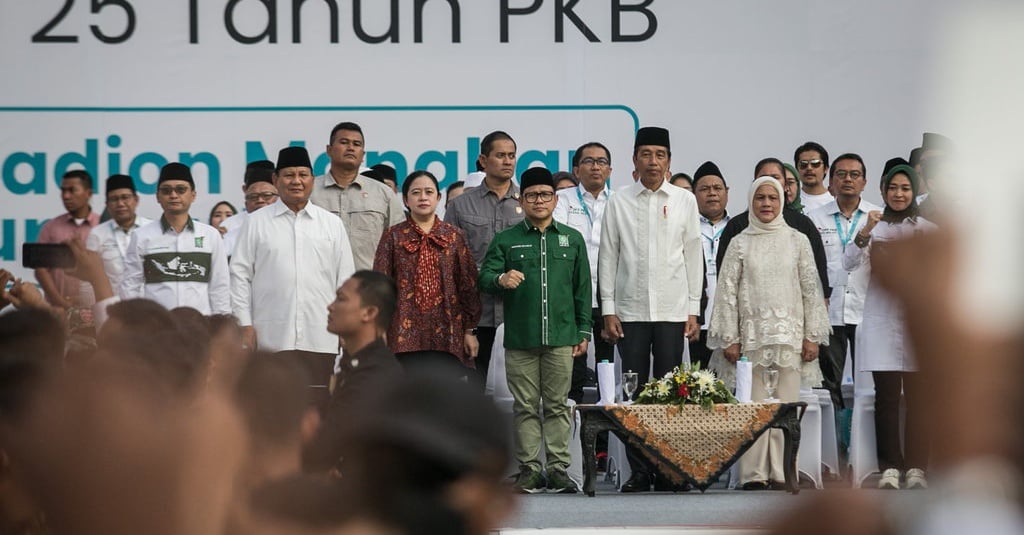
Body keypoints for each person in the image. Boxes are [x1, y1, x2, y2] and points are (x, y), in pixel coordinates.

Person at [708, 176, 830, 490]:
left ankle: (780, 471)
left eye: (772, 198)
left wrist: (811, 336)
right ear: (751, 201)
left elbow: (811, 291)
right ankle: (753, 474)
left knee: (784, 408)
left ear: (782, 202)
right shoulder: (740, 242)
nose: (766, 204)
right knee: (753, 408)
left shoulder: (798, 240)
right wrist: (729, 338)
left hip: (790, 339)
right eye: (760, 198)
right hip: (750, 340)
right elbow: (726, 293)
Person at [598, 126, 702, 492]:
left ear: (669, 160)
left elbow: (693, 256)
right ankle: (640, 471)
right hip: (631, 311)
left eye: (660, 154)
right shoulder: (619, 200)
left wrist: (693, 308)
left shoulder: (684, 200)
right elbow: (608, 256)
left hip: (674, 311)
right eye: (646, 154)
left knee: (673, 391)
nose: (653, 161)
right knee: (636, 392)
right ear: (634, 160)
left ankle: (671, 467)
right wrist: (608, 309)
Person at [479, 167, 591, 494]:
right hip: (521, 338)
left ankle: (558, 469)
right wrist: (501, 279)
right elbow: (484, 278)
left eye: (545, 195)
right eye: (531, 195)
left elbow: (582, 289)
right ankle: (530, 469)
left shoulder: (572, 239)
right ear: (521, 200)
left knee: (557, 405)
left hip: (561, 337)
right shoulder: (507, 240)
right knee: (525, 406)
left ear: (556, 199)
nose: (539, 201)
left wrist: (583, 331)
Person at [230, 147, 355, 408]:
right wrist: (244, 323)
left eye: (302, 174)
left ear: (312, 179)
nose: (296, 181)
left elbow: (346, 281)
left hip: (321, 336)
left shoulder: (330, 224)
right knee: (272, 411)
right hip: (271, 337)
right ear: (276, 180)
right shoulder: (256, 223)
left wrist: (346, 328)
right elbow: (240, 275)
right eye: (288, 175)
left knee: (319, 410)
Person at [844, 158, 936, 490]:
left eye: (905, 188)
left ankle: (917, 468)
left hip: (917, 325)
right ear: (883, 190)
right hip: (881, 322)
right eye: (893, 187)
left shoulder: (927, 231)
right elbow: (848, 262)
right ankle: (890, 467)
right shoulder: (873, 228)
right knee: (886, 399)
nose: (899, 194)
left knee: (918, 400)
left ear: (915, 191)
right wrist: (866, 231)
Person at [373, 170, 481, 375]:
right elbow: (380, 286)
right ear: (405, 200)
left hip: (448, 332)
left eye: (429, 192)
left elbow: (468, 285)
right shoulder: (393, 236)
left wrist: (470, 331)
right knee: (407, 398)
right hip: (403, 334)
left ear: (438, 198)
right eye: (416, 192)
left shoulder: (454, 236)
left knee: (443, 398)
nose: (423, 197)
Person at [444, 131, 525, 388]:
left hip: (518, 313)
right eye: (500, 155)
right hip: (476, 315)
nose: (508, 161)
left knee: (519, 394)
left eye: (511, 155)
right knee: (474, 393)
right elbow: (449, 262)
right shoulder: (461, 205)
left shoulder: (527, 201)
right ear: (483, 159)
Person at [303, 270, 404, 473]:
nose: (330, 306)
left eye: (341, 299)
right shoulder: (356, 363)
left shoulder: (376, 375)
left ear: (369, 313)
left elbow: (332, 447)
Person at [805, 153, 881, 410]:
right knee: (829, 383)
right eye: (841, 174)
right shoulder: (815, 219)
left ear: (864, 181)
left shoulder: (877, 218)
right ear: (831, 181)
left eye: (854, 175)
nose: (848, 179)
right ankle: (836, 441)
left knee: (868, 384)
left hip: (866, 312)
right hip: (829, 312)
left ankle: (863, 441)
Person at [716, 158, 831, 307]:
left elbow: (816, 272)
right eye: (763, 178)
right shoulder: (737, 226)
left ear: (785, 185)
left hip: (791, 314)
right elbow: (725, 276)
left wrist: (822, 301)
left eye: (775, 178)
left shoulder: (802, 225)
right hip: (749, 312)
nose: (769, 182)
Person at [120, 162, 230, 315]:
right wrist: (136, 325)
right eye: (166, 190)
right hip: (157, 329)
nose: (173, 195)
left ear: (193, 195)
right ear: (158, 196)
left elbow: (220, 286)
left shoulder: (210, 235)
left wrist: (221, 324)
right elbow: (130, 286)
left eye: (181, 189)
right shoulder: (141, 236)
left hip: (201, 328)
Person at [552, 142, 615, 404]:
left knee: (608, 370)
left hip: (610, 298)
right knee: (573, 373)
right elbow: (559, 240)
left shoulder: (620, 202)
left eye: (601, 161)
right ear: (577, 170)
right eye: (589, 161)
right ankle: (574, 440)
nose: (595, 166)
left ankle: (605, 443)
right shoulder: (562, 199)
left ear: (610, 169)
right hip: (572, 296)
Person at [310, 121, 405, 271]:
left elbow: (400, 245)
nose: (351, 148)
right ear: (329, 150)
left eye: (356, 144)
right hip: (319, 285)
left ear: (363, 154)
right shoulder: (309, 191)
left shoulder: (383, 193)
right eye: (344, 142)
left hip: (369, 287)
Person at [35, 169, 101, 309]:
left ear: (88, 193)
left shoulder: (103, 227)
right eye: (63, 191)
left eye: (72, 190)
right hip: (58, 310)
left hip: (96, 310)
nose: (66, 196)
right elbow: (41, 270)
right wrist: (61, 302)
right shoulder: (50, 228)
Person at [690, 160, 730, 370]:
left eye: (717, 188)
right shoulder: (685, 227)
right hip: (696, 322)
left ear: (727, 192)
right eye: (704, 189)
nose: (712, 193)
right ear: (693, 195)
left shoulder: (740, 227)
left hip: (730, 324)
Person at [86, 174, 153, 294]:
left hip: (150, 306)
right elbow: (88, 278)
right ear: (107, 204)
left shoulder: (152, 229)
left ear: (136, 200)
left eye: (125, 197)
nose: (120, 204)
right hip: (112, 307)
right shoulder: (97, 234)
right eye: (114, 199)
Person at [222, 160, 278, 256]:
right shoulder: (229, 226)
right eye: (254, 196)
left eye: (267, 195)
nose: (260, 200)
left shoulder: (289, 223)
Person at [794, 141, 834, 212]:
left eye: (815, 164)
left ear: (826, 169)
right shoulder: (791, 200)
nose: (809, 168)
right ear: (797, 169)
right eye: (803, 164)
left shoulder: (835, 200)